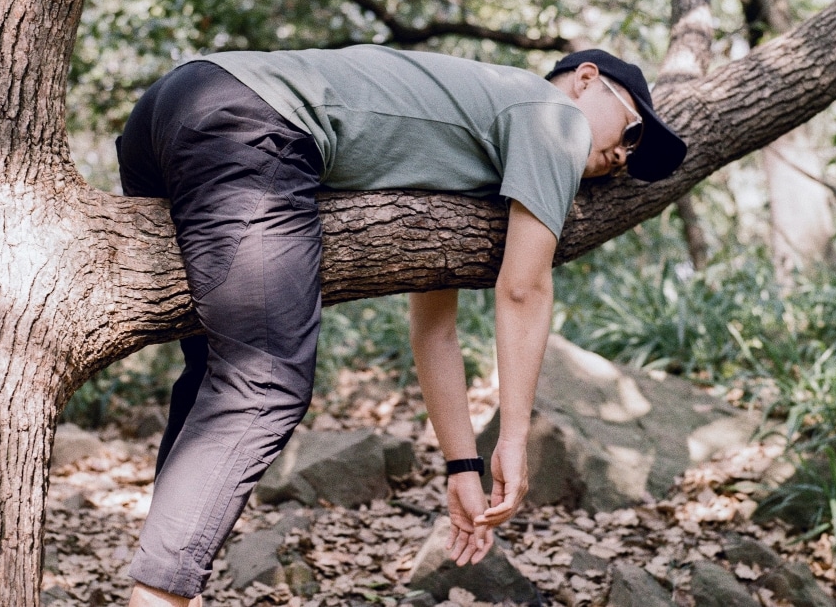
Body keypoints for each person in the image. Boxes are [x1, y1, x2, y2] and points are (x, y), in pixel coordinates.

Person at [116, 45, 687, 606]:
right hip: (251, 119)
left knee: (215, 376)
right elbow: (523, 289)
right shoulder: (552, 113)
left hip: (175, 104)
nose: (623, 158)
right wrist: (513, 440)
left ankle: (169, 584)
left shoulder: (469, 134)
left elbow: (434, 331)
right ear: (585, 80)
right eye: (632, 132)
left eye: (634, 160)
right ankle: (160, 595)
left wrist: (462, 465)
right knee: (265, 382)